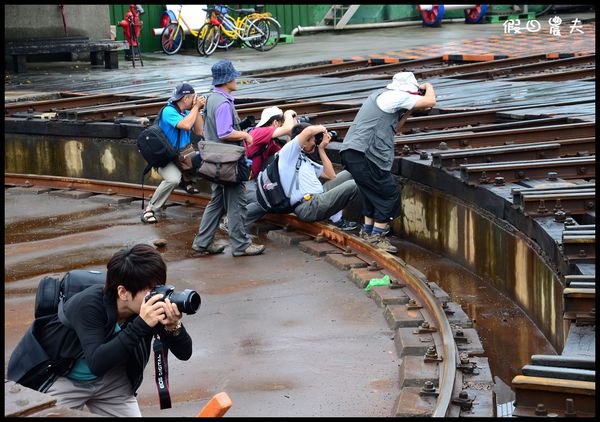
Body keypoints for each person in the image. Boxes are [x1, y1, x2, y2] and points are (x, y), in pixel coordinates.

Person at [9, 244, 193, 417]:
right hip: (65, 376)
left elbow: (185, 353)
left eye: (159, 286)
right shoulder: (89, 304)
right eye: (150, 289)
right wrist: (142, 324)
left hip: (112, 380)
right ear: (123, 292)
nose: (157, 294)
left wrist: (173, 326)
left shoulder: (147, 306)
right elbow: (97, 362)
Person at [339, 72, 436, 254]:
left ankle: (368, 232)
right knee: (389, 194)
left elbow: (395, 127)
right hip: (365, 154)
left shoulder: (383, 96)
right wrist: (428, 87)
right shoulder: (395, 96)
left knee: (371, 193)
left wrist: (409, 110)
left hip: (354, 153)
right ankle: (377, 237)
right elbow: (430, 102)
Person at [191, 60, 265, 257]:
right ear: (227, 80)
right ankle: (241, 245)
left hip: (214, 161)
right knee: (237, 202)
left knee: (217, 201)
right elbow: (225, 132)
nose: (236, 80)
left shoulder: (212, 98)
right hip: (228, 163)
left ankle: (203, 242)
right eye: (233, 76)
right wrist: (245, 135)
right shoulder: (223, 102)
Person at [244, 122, 359, 231]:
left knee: (348, 174)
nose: (315, 143)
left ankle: (334, 217)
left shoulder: (304, 159)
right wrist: (323, 129)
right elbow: (308, 131)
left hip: (318, 196)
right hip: (308, 206)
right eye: (314, 140)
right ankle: (338, 219)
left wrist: (321, 149)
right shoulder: (288, 154)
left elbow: (331, 175)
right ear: (303, 142)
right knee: (353, 185)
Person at [219, 105, 297, 234]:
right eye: (281, 122)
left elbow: (285, 154)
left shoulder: (268, 141)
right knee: (266, 199)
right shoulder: (260, 132)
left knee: (270, 193)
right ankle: (232, 223)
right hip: (242, 184)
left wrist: (291, 135)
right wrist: (289, 114)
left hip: (249, 182)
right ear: (275, 122)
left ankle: (235, 217)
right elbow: (287, 128)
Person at [141, 82, 205, 224]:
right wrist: (196, 107)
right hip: (165, 156)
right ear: (185, 98)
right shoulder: (168, 111)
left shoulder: (188, 112)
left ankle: (186, 179)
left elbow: (199, 131)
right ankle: (150, 209)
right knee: (173, 179)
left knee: (206, 167)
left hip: (182, 154)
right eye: (193, 97)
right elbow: (185, 125)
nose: (195, 100)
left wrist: (198, 110)